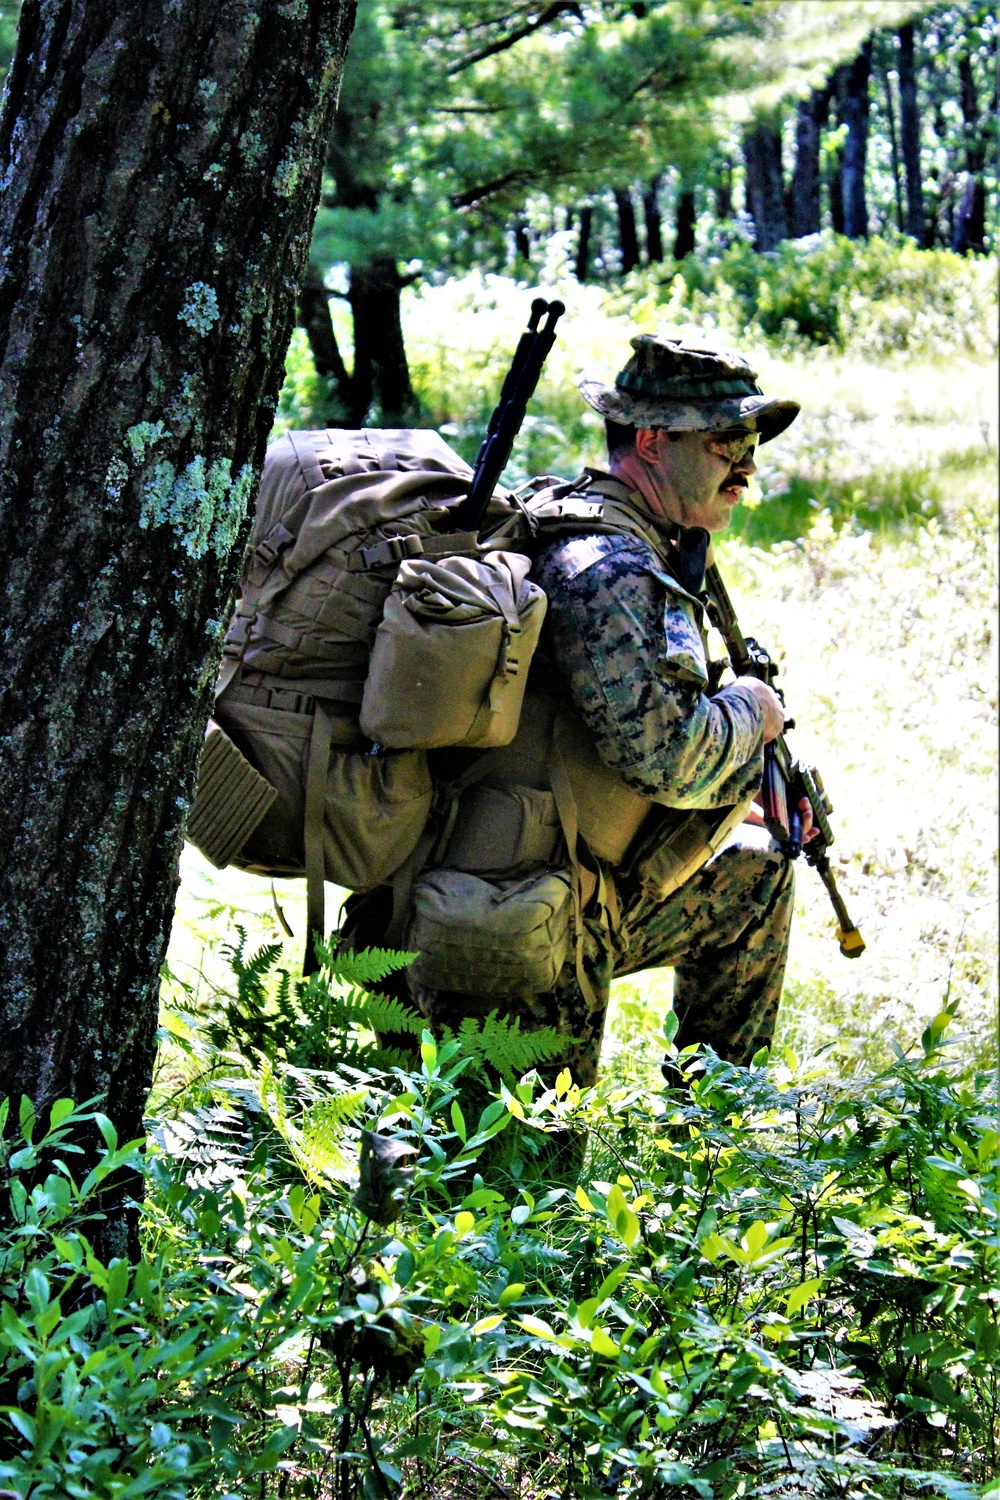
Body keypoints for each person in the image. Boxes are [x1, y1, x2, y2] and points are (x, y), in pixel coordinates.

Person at [395, 333, 811, 1093]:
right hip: (512, 905)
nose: (747, 466)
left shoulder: (647, 544)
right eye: (728, 442)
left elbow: (633, 733)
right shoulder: (604, 568)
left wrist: (738, 801)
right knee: (527, 1185)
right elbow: (667, 758)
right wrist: (752, 713)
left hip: (579, 881)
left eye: (750, 443)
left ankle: (710, 1146)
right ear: (652, 440)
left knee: (755, 873)